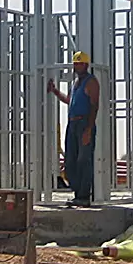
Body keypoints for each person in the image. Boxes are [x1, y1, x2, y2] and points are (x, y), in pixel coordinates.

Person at [47, 51, 100, 207]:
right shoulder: (75, 83)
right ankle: (77, 193)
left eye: (80, 64)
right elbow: (69, 101)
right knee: (70, 161)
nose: (78, 67)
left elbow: (94, 106)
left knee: (84, 160)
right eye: (76, 64)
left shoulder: (91, 82)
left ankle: (84, 196)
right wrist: (55, 91)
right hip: (72, 123)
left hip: (84, 123)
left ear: (86, 65)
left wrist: (88, 129)